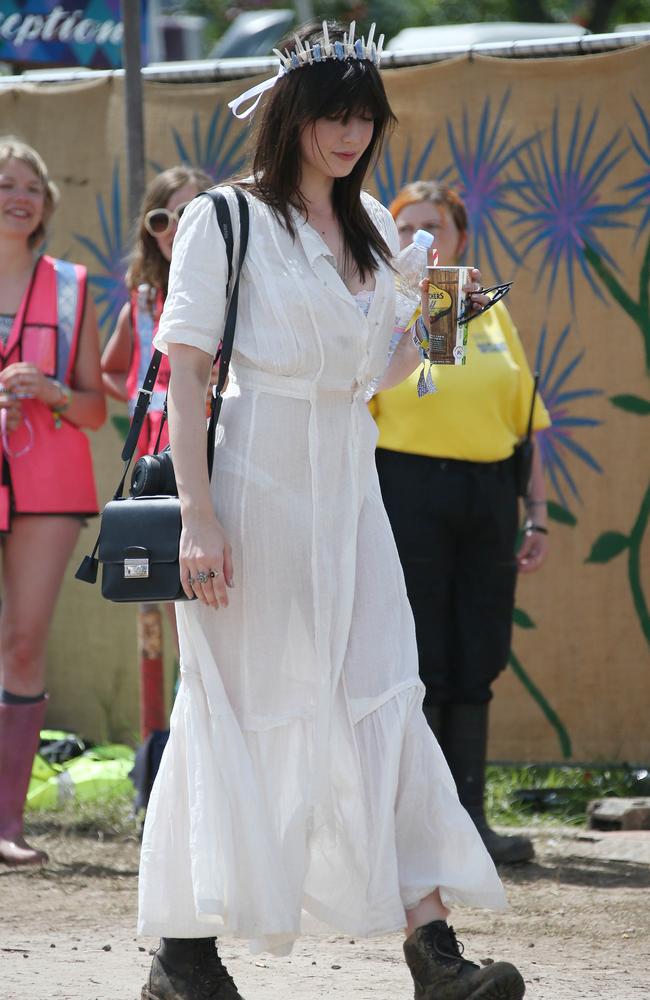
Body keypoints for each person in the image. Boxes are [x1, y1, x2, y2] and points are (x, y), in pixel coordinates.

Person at [137, 23, 526, 1000]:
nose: (349, 133)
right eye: (331, 113)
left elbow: (381, 377)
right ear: (291, 117)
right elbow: (184, 372)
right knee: (232, 704)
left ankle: (432, 954)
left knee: (382, 691)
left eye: (362, 115)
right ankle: (183, 953)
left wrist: (442, 311)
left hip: (347, 491)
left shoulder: (375, 236)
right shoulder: (222, 219)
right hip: (249, 483)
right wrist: (197, 516)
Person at [371, 180, 551, 865]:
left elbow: (525, 423)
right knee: (423, 659)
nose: (424, 237)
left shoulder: (491, 311)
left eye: (436, 227)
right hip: (409, 488)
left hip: (486, 493)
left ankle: (467, 821)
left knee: (477, 652)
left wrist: (533, 515)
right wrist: (435, 297)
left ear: (460, 236)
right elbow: (416, 378)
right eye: (408, 226)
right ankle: (419, 829)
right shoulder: (391, 305)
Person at [0, 137, 105, 866]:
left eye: (32, 185)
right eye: (4, 181)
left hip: (46, 484)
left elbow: (99, 408)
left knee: (25, 643)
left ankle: (6, 826)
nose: (19, 194)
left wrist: (55, 392)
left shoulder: (71, 285)